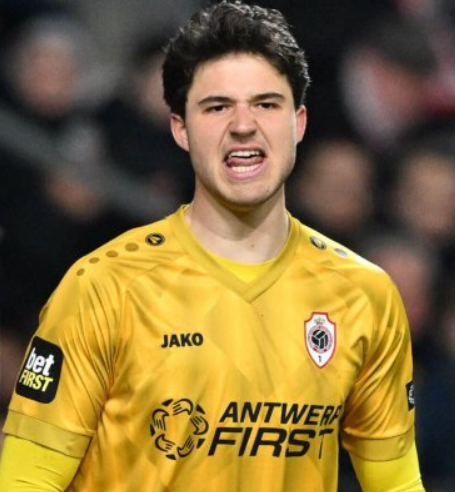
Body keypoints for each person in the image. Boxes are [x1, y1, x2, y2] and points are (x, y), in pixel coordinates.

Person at [0, 2, 424, 490]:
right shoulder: (102, 287)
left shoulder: (365, 294)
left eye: (267, 104)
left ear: (299, 123)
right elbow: (27, 481)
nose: (243, 126)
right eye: (217, 106)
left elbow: (396, 483)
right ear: (180, 128)